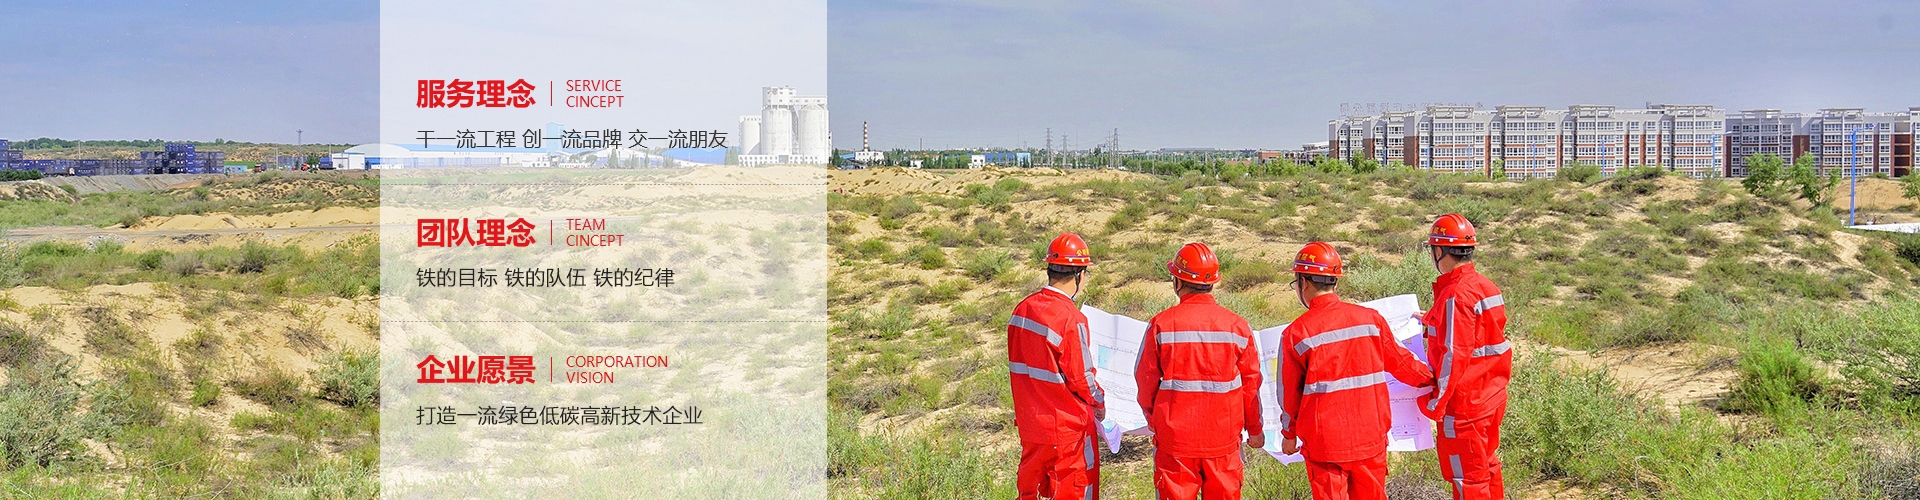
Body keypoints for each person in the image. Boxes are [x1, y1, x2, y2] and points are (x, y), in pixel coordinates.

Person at [1276, 242, 1434, 500]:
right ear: (1335, 282)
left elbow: (1289, 395)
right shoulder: (1371, 320)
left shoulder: (1295, 333)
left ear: (1303, 282)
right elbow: (1405, 365)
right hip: (1370, 438)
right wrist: (1436, 379)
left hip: (1324, 446)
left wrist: (1288, 435)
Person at [1134, 242, 1262, 500]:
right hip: (1223, 442)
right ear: (1213, 282)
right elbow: (1251, 385)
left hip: (1175, 442)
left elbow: (1145, 380)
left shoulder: (1161, 324)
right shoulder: (1237, 326)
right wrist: (1255, 429)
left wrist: (1155, 421)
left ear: (1178, 281)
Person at [1418, 214, 1512, 500]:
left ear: (1439, 250)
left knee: (1467, 479)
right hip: (1490, 396)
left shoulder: (1456, 295)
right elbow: (1479, 335)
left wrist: (1436, 403)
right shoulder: (1485, 285)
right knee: (1486, 465)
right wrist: (1432, 321)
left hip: (1464, 406)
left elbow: (1454, 356)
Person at [1008, 232, 1106, 500]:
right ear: (1079, 275)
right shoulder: (1071, 318)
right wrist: (1099, 402)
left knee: (1031, 493)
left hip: (1031, 427)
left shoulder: (1021, 310)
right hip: (1067, 432)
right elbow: (1082, 378)